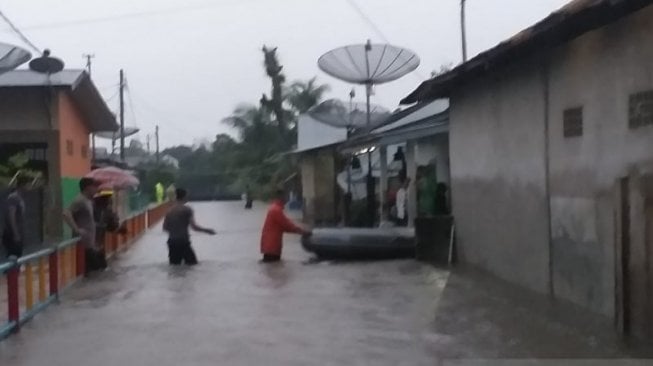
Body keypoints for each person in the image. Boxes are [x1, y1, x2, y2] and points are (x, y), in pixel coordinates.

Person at [163, 188, 216, 265]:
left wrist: (175, 230)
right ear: (184, 197)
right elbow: (194, 227)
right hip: (183, 241)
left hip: (171, 242)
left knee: (174, 267)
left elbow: (165, 228)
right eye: (187, 196)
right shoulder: (187, 209)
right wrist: (207, 230)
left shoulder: (169, 210)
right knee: (193, 265)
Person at [63, 177, 102, 273]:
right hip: (83, 245)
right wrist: (76, 229)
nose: (96, 189)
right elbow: (66, 213)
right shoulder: (79, 200)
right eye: (94, 187)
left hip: (90, 243)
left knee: (96, 272)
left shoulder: (89, 201)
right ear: (87, 188)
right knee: (88, 272)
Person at [260, 189, 310, 262]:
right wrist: (303, 232)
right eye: (285, 196)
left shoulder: (274, 208)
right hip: (272, 246)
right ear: (281, 197)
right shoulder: (276, 210)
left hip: (269, 246)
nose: (287, 198)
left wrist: (300, 231)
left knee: (272, 268)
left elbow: (285, 227)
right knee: (274, 268)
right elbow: (288, 225)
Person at [93, 190, 127, 270]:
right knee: (100, 265)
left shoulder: (93, 206)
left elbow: (110, 225)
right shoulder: (106, 211)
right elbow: (112, 226)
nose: (110, 201)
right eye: (110, 200)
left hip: (92, 242)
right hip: (97, 243)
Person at [2, 175, 30, 258]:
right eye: (28, 185)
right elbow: (11, 216)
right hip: (11, 234)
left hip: (17, 233)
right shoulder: (14, 197)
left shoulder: (20, 198)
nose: (29, 187)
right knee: (13, 256)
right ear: (22, 185)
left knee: (17, 256)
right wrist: (15, 234)